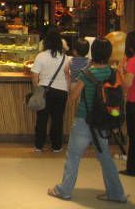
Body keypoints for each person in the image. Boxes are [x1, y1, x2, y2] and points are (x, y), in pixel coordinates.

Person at [48, 38, 127, 203]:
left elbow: (73, 97)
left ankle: (64, 190)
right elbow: (123, 91)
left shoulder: (87, 73)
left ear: (94, 53)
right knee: (105, 157)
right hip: (103, 121)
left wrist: (68, 78)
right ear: (108, 54)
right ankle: (117, 193)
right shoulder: (113, 72)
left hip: (84, 120)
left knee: (73, 156)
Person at [31, 30, 70, 152]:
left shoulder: (41, 56)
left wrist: (37, 89)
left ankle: (39, 145)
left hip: (44, 90)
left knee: (42, 119)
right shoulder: (65, 58)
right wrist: (68, 90)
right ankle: (57, 146)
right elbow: (68, 75)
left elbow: (34, 75)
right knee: (57, 119)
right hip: (61, 92)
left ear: (46, 42)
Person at [119, 31, 135, 176]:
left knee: (133, 136)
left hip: (133, 103)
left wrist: (122, 72)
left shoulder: (132, 62)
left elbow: (127, 85)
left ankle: (131, 168)